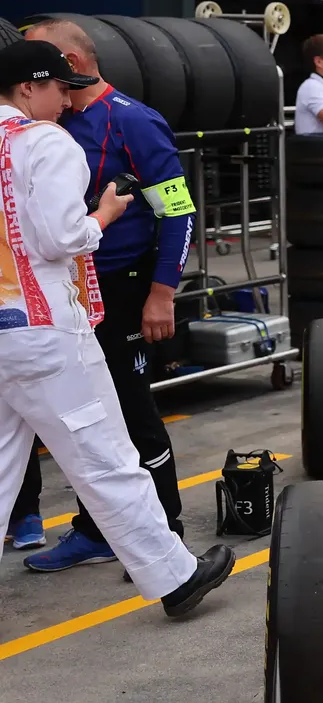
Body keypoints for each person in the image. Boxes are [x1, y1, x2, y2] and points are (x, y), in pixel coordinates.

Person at [0, 39, 232, 612]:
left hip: (15, 330)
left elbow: (176, 206)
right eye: (59, 88)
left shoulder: (130, 122)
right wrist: (105, 213)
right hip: (52, 326)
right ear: (30, 87)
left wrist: (160, 287)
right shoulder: (47, 141)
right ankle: (175, 576)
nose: (66, 102)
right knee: (108, 454)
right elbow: (63, 237)